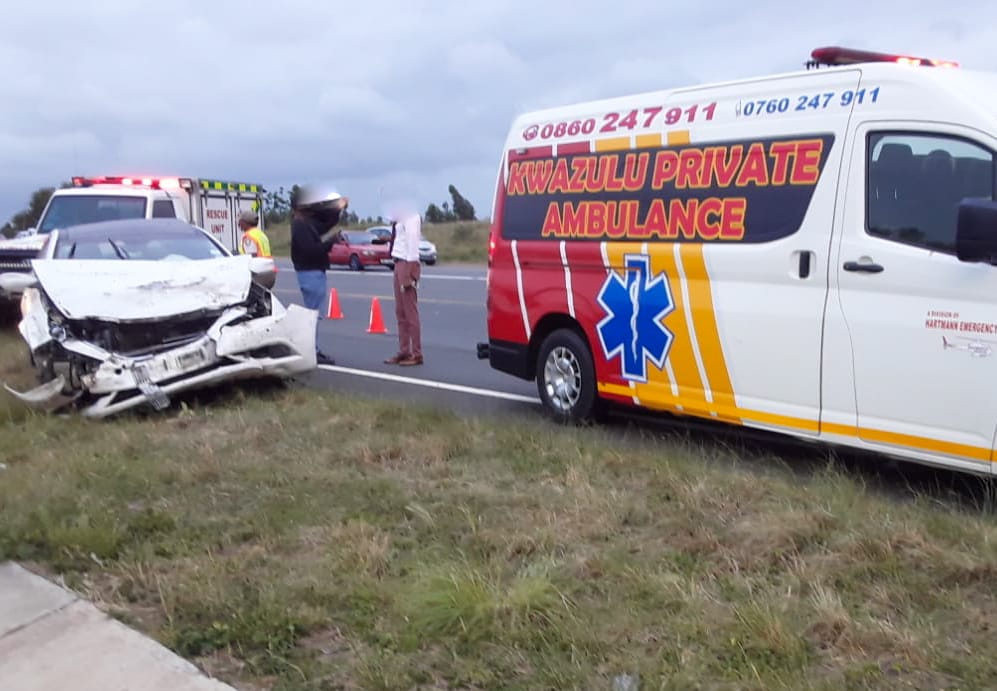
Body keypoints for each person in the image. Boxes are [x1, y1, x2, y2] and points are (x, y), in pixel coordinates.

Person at [290, 184, 349, 366]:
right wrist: (331, 241)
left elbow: (325, 223)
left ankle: (311, 349)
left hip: (312, 271)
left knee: (314, 313)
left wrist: (338, 209)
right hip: (310, 272)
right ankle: (312, 351)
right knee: (313, 315)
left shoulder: (305, 223)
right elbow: (312, 251)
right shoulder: (300, 225)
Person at [383, 207, 423, 366]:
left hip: (407, 262)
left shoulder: (412, 214)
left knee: (410, 311)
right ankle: (404, 350)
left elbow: (413, 244)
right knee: (400, 311)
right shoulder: (400, 214)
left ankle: (417, 353)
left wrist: (410, 271)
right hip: (398, 261)